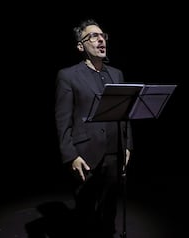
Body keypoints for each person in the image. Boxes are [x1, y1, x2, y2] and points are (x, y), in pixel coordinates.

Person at [55, 19, 133, 238]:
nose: (101, 39)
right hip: (85, 156)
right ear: (81, 46)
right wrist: (70, 156)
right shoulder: (68, 76)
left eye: (103, 36)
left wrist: (127, 146)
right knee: (85, 215)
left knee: (109, 212)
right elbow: (62, 119)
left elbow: (125, 114)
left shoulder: (116, 74)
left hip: (113, 154)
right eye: (93, 36)